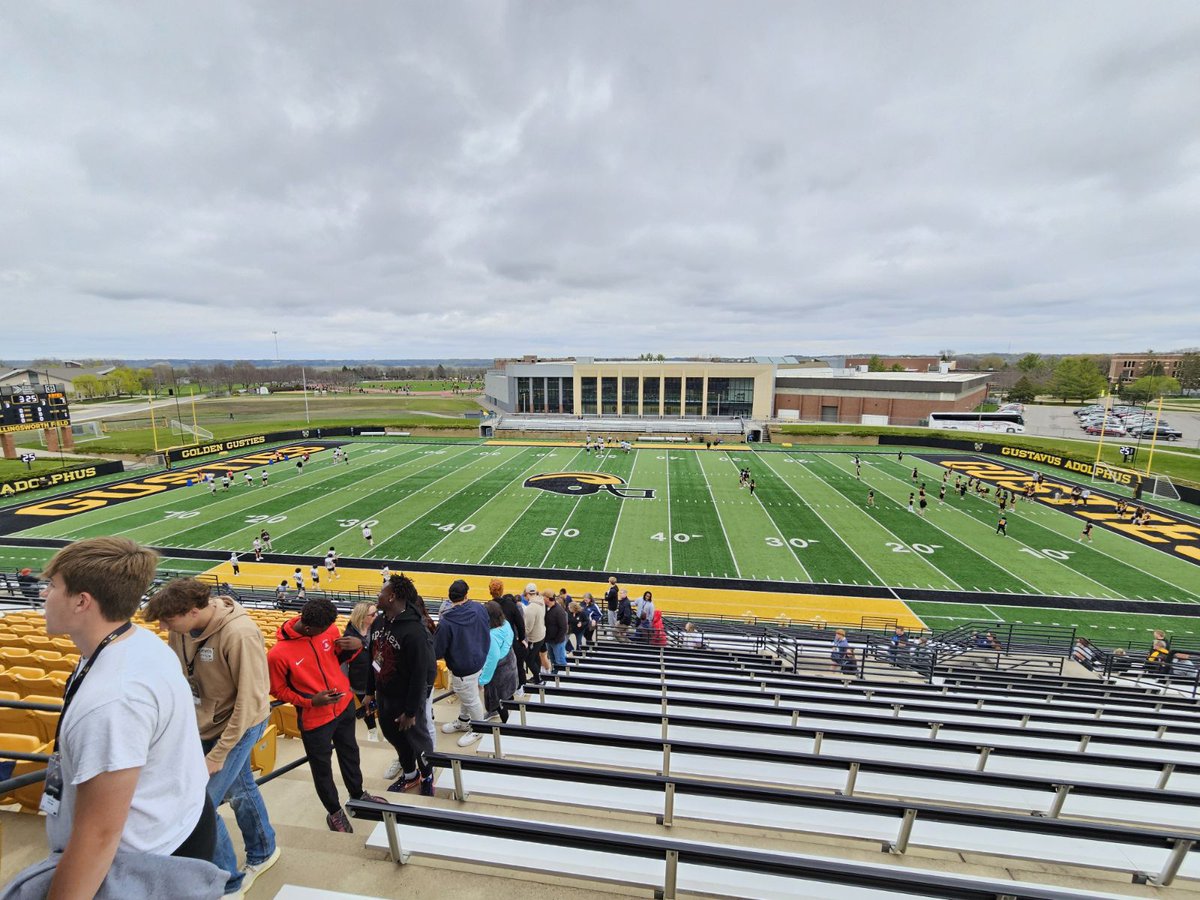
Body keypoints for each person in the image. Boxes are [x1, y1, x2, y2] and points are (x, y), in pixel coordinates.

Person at [10, 537, 225, 898]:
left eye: (54, 586)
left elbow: (99, 836)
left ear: (82, 601)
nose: (45, 594)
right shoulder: (138, 643)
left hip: (145, 863)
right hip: (175, 825)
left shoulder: (113, 700)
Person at [145, 578, 279, 897]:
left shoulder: (239, 633)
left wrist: (218, 753)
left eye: (168, 620)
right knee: (241, 787)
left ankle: (229, 883)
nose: (163, 627)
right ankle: (264, 850)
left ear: (193, 611)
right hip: (205, 721)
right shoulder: (180, 629)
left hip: (241, 724)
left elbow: (248, 702)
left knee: (200, 803)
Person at [267, 598, 383, 832]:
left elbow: (335, 659)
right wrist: (310, 701)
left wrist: (355, 647)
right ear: (309, 628)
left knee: (350, 753)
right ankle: (334, 812)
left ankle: (358, 795)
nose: (330, 631)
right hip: (315, 718)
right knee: (322, 769)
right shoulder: (277, 654)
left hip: (344, 706)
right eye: (324, 630)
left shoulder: (327, 628)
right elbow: (277, 690)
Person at [366, 574, 436, 795]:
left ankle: (427, 774)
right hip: (384, 695)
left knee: (418, 740)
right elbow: (373, 656)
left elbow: (420, 674)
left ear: (392, 597)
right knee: (393, 736)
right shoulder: (379, 621)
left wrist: (411, 710)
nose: (378, 594)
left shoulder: (415, 631)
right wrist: (369, 691)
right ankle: (410, 775)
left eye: (382, 591)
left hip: (406, 698)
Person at [433, 579, 491, 747]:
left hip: (463, 666)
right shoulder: (480, 608)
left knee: (471, 699)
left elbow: (438, 651)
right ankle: (464, 720)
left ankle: (479, 729)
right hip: (479, 659)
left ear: (450, 598)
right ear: (466, 594)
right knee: (469, 695)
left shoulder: (446, 621)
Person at [343, 602, 378, 742]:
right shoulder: (349, 636)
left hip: (380, 676)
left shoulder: (379, 628)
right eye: (373, 614)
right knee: (367, 706)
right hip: (360, 678)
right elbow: (344, 662)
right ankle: (372, 730)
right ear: (363, 617)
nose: (377, 616)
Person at [479, 601, 519, 722]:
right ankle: (509, 717)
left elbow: (493, 659)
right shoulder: (505, 623)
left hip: (499, 673)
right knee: (508, 695)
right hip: (511, 665)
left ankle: (507, 723)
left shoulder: (492, 635)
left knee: (499, 701)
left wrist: (482, 680)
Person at [490, 579, 527, 692]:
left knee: (497, 666)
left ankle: (500, 689)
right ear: (502, 590)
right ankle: (519, 687)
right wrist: (521, 639)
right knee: (517, 664)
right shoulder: (510, 605)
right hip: (510, 641)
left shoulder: (488, 606)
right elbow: (520, 624)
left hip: (495, 643)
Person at [522, 582, 547, 684]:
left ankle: (538, 679)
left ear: (527, 593)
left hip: (534, 637)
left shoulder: (531, 608)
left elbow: (528, 628)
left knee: (529, 660)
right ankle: (537, 676)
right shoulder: (541, 600)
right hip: (541, 633)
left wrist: (521, 637)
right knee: (536, 657)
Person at [543, 589, 569, 672]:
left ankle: (564, 678)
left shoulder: (559, 611)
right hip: (549, 640)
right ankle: (555, 675)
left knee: (560, 661)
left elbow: (563, 628)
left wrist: (557, 639)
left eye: (543, 597)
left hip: (557, 642)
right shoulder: (547, 608)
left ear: (548, 598)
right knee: (553, 660)